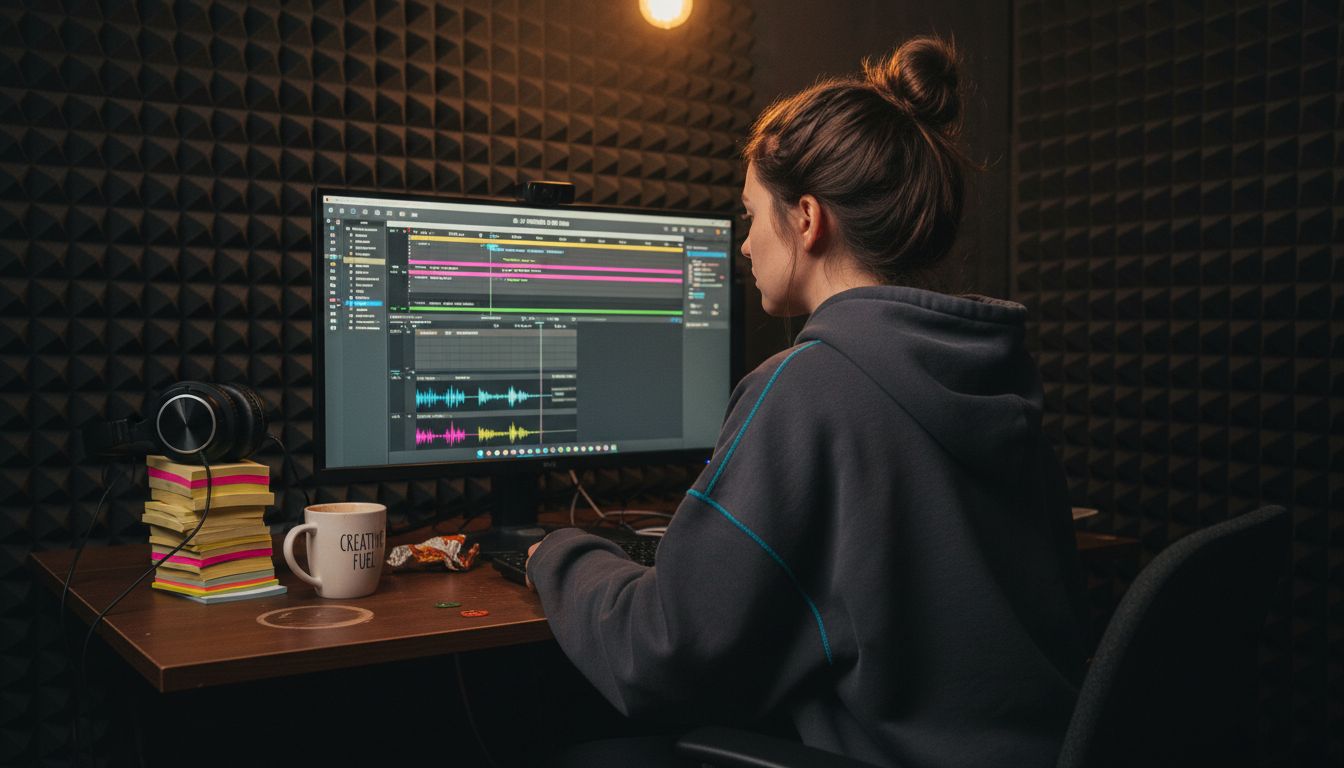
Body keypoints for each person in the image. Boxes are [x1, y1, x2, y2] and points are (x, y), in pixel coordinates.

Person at [525, 35, 1089, 768]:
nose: (746, 246)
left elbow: (661, 654)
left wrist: (556, 554)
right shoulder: (996, 373)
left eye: (753, 216)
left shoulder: (805, 387)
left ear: (808, 220)